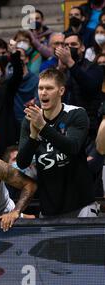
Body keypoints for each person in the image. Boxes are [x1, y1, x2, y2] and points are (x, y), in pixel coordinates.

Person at [17, 68, 98, 218]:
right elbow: (22, 162)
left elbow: (73, 147)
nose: (43, 93)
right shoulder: (30, 119)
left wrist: (43, 127)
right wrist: (34, 137)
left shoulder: (76, 113)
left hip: (80, 205)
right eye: (40, 88)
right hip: (49, 209)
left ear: (61, 91)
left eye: (49, 88)